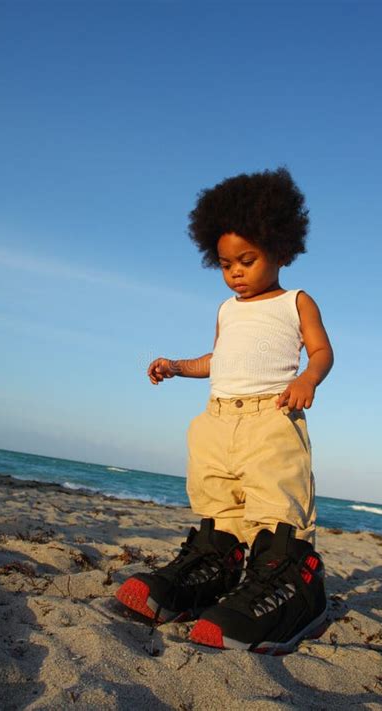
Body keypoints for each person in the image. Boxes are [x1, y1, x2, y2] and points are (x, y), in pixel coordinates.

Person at [116, 167, 334, 654]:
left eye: (248, 259)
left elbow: (322, 352)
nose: (235, 271)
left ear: (281, 250)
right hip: (217, 417)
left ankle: (292, 582)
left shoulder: (296, 301)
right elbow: (219, 359)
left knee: (275, 502)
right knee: (217, 499)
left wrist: (306, 379)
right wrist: (176, 365)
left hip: (271, 416)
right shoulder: (227, 309)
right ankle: (214, 567)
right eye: (225, 263)